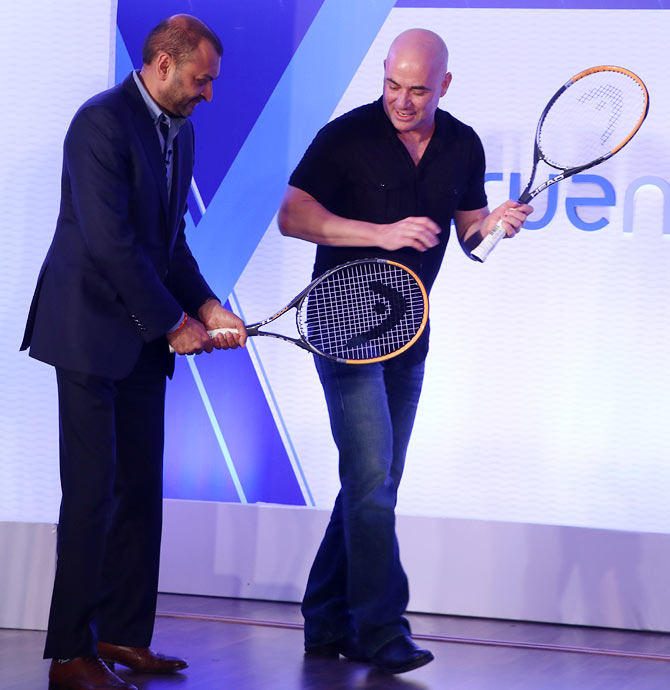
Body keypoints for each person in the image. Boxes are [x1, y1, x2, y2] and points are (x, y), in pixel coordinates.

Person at [278, 28, 532, 674]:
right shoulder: (347, 136)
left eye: (418, 90)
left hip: (409, 331)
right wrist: (378, 232)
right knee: (371, 482)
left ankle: (325, 618)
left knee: (375, 482)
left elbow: (470, 235)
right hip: (344, 326)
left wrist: (494, 226)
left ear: (443, 86)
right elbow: (293, 215)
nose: (402, 101)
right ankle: (381, 629)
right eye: (393, 86)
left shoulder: (461, 143)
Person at [21, 14, 246, 690]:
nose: (208, 93)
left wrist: (206, 305)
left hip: (143, 342)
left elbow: (167, 243)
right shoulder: (101, 123)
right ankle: (69, 655)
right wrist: (174, 320)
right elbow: (109, 240)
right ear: (162, 62)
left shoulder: (183, 133)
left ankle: (119, 636)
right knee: (90, 497)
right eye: (201, 80)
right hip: (88, 335)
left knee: (140, 493)